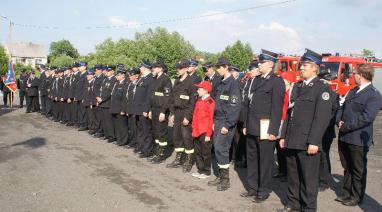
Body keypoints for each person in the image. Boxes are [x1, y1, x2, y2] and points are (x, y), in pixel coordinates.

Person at [278, 49, 333, 212]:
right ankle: (293, 204)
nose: (301, 68)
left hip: (308, 142)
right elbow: (290, 113)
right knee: (293, 176)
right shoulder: (298, 87)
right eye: (301, 65)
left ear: (315, 68)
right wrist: (283, 135)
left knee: (308, 179)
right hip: (292, 139)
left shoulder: (322, 89)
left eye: (305, 65)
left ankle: (308, 208)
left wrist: (314, 142)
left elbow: (321, 119)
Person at [335, 64, 382, 206]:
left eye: (354, 73)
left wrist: (346, 126)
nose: (352, 75)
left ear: (360, 75)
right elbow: (342, 106)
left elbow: (367, 117)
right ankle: (346, 193)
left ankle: (356, 196)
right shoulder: (353, 90)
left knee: (358, 169)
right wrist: (338, 120)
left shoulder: (374, 94)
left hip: (358, 138)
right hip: (345, 136)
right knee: (347, 166)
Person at [242, 50, 285, 202]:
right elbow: (250, 104)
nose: (258, 64)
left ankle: (263, 189)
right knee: (252, 159)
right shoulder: (257, 79)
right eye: (259, 62)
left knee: (265, 161)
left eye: (262, 62)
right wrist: (246, 124)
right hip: (252, 125)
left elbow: (277, 109)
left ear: (270, 64)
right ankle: (252, 188)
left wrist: (273, 130)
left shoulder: (276, 82)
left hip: (266, 128)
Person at [208, 57, 241, 191]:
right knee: (217, 148)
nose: (218, 69)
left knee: (221, 149)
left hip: (226, 121)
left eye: (220, 67)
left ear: (226, 67)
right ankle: (221, 177)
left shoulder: (232, 84)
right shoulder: (222, 83)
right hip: (218, 120)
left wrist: (227, 125)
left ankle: (225, 180)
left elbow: (234, 107)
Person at [167, 59, 195, 171]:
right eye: (177, 68)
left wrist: (188, 117)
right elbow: (172, 98)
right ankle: (178, 159)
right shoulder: (177, 81)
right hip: (177, 112)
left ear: (187, 69)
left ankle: (188, 161)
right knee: (176, 137)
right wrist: (172, 113)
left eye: (180, 68)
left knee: (187, 138)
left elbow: (193, 102)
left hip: (186, 112)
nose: (178, 70)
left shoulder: (192, 82)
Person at [148, 61, 172, 163]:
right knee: (156, 132)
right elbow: (152, 96)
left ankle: (161, 155)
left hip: (161, 109)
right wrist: (150, 109)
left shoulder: (165, 79)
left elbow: (168, 97)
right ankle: (157, 152)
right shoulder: (154, 79)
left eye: (155, 67)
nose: (153, 69)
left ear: (161, 68)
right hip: (154, 108)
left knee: (161, 132)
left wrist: (163, 111)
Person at [191, 81, 215, 179]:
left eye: (200, 89)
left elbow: (211, 119)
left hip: (205, 132)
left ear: (206, 91)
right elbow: (195, 116)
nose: (198, 90)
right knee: (198, 152)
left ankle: (206, 171)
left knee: (205, 153)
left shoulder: (210, 102)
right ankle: (200, 170)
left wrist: (208, 134)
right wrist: (193, 129)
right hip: (197, 131)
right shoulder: (199, 100)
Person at [273, 71, 295, 181]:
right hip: (279, 121)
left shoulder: (293, 92)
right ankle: (282, 170)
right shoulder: (282, 92)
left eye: (283, 81)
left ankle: (287, 173)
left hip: (286, 123)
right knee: (279, 148)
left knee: (285, 148)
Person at [133, 61, 155, 158]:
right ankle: (142, 147)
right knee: (141, 130)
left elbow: (148, 96)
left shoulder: (150, 79)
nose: (140, 68)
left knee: (147, 131)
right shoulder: (143, 79)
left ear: (145, 68)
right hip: (138, 109)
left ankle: (148, 150)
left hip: (143, 109)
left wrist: (146, 109)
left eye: (141, 67)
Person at [96, 65, 117, 142]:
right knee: (104, 120)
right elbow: (100, 89)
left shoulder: (114, 80)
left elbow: (110, 92)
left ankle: (112, 136)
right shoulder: (105, 79)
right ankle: (106, 134)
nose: (107, 72)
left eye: (108, 71)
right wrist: (98, 97)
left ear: (113, 71)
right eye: (107, 71)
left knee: (109, 121)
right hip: (102, 103)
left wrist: (102, 99)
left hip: (108, 103)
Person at [122, 67, 140, 149]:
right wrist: (126, 109)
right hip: (129, 109)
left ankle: (136, 143)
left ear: (136, 76)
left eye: (132, 75)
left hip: (135, 110)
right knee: (131, 127)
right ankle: (132, 142)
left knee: (135, 128)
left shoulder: (138, 84)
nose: (130, 77)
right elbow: (127, 98)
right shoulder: (130, 84)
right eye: (129, 75)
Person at [110, 66, 129, 146]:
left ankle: (124, 140)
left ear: (123, 75)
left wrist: (123, 109)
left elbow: (125, 99)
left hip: (120, 108)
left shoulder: (126, 84)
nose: (116, 76)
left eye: (118, 75)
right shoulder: (117, 83)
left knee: (122, 126)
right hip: (115, 107)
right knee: (117, 125)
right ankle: (119, 139)